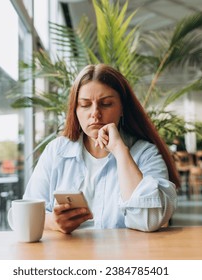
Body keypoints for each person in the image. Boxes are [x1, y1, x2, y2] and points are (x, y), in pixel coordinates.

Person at [23, 64, 179, 234]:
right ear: (75, 110)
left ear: (122, 109)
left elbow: (150, 220)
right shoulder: (56, 151)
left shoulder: (145, 154)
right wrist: (53, 222)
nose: (95, 113)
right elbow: (24, 214)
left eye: (106, 104)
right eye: (84, 105)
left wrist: (120, 151)